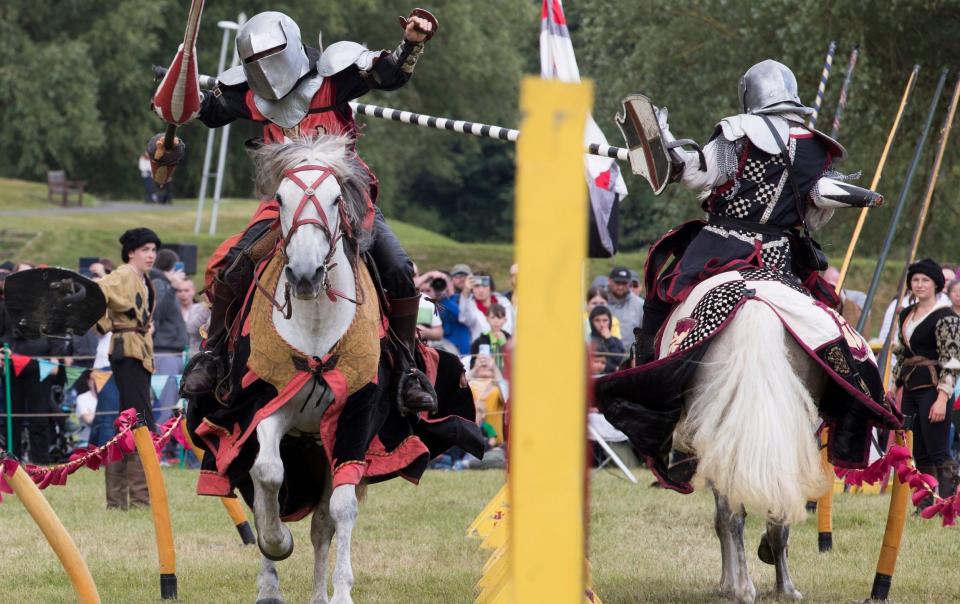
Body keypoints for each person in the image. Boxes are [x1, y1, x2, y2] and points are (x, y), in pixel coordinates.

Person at [179, 9, 439, 414]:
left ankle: (406, 370)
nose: (264, 69)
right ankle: (214, 356)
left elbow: (387, 74)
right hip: (282, 207)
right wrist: (178, 83)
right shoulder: (250, 94)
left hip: (346, 201)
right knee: (234, 265)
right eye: (254, 64)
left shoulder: (334, 80)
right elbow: (208, 113)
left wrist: (411, 43)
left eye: (271, 57)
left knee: (398, 268)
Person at [636, 59, 883, 364]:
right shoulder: (816, 147)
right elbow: (816, 210)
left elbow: (695, 175)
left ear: (749, 95)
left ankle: (646, 376)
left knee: (661, 296)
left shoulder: (738, 131)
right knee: (826, 315)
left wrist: (668, 145)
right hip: (781, 258)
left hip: (720, 247)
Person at [93, 227, 161, 507]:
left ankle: (121, 498)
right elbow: (97, 292)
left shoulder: (144, 279)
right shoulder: (123, 274)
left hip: (139, 350)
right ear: (131, 252)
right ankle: (139, 498)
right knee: (138, 421)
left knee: (130, 421)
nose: (151, 255)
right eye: (145, 249)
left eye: (154, 250)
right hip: (127, 351)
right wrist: (109, 324)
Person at [893, 258, 960, 503]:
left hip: (934, 389)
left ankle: (950, 502)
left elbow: (952, 361)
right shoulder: (906, 315)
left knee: (939, 450)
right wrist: (894, 385)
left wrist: (943, 398)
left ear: (936, 285)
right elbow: (901, 353)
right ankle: (925, 503)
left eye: (925, 280)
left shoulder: (946, 317)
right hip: (910, 388)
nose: (919, 285)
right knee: (918, 451)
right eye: (916, 280)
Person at [150, 249, 188, 425]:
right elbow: (158, 312)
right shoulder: (159, 283)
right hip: (165, 352)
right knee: (165, 405)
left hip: (172, 351)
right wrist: (172, 287)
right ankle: (159, 448)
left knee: (172, 403)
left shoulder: (162, 283)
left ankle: (164, 445)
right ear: (171, 267)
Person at [459, 272, 515, 344]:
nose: (481, 290)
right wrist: (466, 291)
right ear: (472, 289)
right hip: (481, 350)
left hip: (506, 349)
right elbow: (463, 318)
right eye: (477, 286)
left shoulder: (504, 302)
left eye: (484, 286)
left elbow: (514, 326)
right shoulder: (469, 305)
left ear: (491, 288)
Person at [438, 265, 473, 355]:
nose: (461, 279)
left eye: (464, 276)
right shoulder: (439, 299)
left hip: (467, 349)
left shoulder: (473, 298)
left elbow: (462, 315)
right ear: (451, 280)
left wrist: (444, 299)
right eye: (457, 276)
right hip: (446, 349)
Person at [606, 266, 643, 351]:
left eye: (624, 283)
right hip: (602, 359)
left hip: (630, 359)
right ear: (609, 280)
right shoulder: (600, 302)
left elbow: (646, 335)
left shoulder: (640, 305)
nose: (620, 287)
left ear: (630, 283)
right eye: (617, 283)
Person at [469, 303, 511, 370]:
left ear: (505, 320)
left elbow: (515, 362)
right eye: (493, 317)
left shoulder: (510, 340)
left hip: (506, 377)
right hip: (486, 377)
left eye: (499, 317)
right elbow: (472, 365)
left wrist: (504, 344)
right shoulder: (479, 341)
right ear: (487, 319)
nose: (496, 321)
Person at [589, 306, 627, 373]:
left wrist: (609, 339)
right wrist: (613, 368)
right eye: (597, 320)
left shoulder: (616, 341)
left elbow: (620, 361)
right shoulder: (586, 341)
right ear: (591, 322)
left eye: (605, 320)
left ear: (610, 321)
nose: (601, 324)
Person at [177, 279, 208, 355]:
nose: (183, 294)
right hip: (175, 355)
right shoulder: (171, 311)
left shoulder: (203, 309)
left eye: (186, 290)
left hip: (196, 354)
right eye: (180, 291)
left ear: (193, 291)